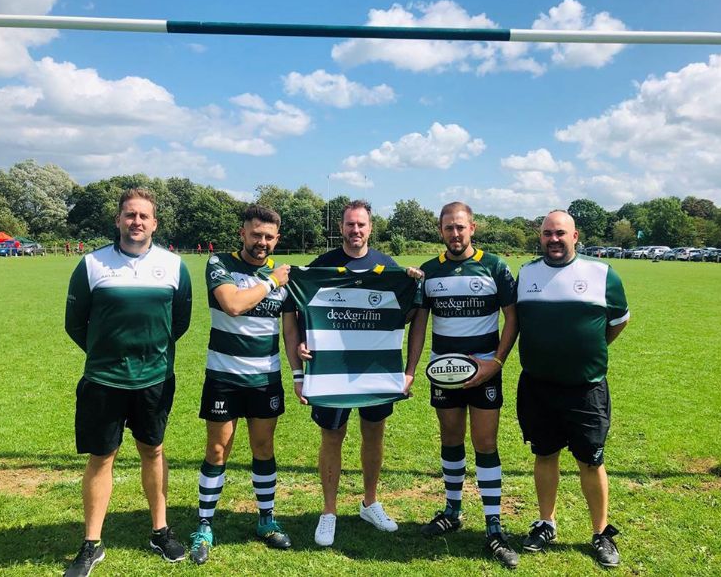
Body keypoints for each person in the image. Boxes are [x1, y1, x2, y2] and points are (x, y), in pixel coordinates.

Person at [63, 188, 192, 577]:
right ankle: (91, 544)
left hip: (154, 379)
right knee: (102, 458)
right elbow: (74, 323)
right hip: (104, 380)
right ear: (118, 220)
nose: (137, 221)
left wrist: (148, 355)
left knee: (153, 451)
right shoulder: (91, 264)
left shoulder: (173, 265)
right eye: (130, 215)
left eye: (144, 216)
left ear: (154, 223)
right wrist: (108, 353)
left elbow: (179, 323)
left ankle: (160, 530)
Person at [293, 200, 421, 548]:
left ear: (370, 227)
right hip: (332, 372)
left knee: (373, 434)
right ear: (341, 228)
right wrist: (301, 348)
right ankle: (329, 511)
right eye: (350, 225)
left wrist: (411, 284)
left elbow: (404, 315)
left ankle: (370, 502)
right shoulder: (322, 265)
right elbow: (300, 308)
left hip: (372, 370)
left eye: (361, 225)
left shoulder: (386, 264)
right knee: (332, 437)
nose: (355, 231)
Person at [405, 201, 520, 569]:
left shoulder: (495, 266)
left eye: (461, 227)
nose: (455, 234)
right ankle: (452, 511)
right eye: (448, 228)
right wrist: (411, 370)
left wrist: (496, 363)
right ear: (441, 231)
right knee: (451, 441)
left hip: (485, 370)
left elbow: (512, 319)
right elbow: (418, 325)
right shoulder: (429, 272)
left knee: (485, 443)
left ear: (473, 228)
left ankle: (493, 526)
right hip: (445, 373)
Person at [515, 210, 629, 568]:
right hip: (538, 386)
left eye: (560, 233)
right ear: (540, 236)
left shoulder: (602, 274)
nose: (554, 239)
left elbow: (617, 323)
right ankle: (546, 522)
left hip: (585, 389)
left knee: (590, 460)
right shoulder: (527, 274)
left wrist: (585, 350)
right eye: (548, 233)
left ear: (575, 236)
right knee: (544, 454)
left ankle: (600, 533)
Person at [189, 205, 297, 564]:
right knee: (218, 450)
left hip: (265, 379)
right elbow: (233, 304)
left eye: (268, 236)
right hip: (223, 378)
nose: (261, 242)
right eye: (255, 234)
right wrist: (270, 282)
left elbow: (292, 328)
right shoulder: (221, 263)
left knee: (263, 449)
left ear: (276, 238)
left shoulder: (284, 277)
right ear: (243, 234)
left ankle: (266, 520)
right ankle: (204, 524)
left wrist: (299, 369)